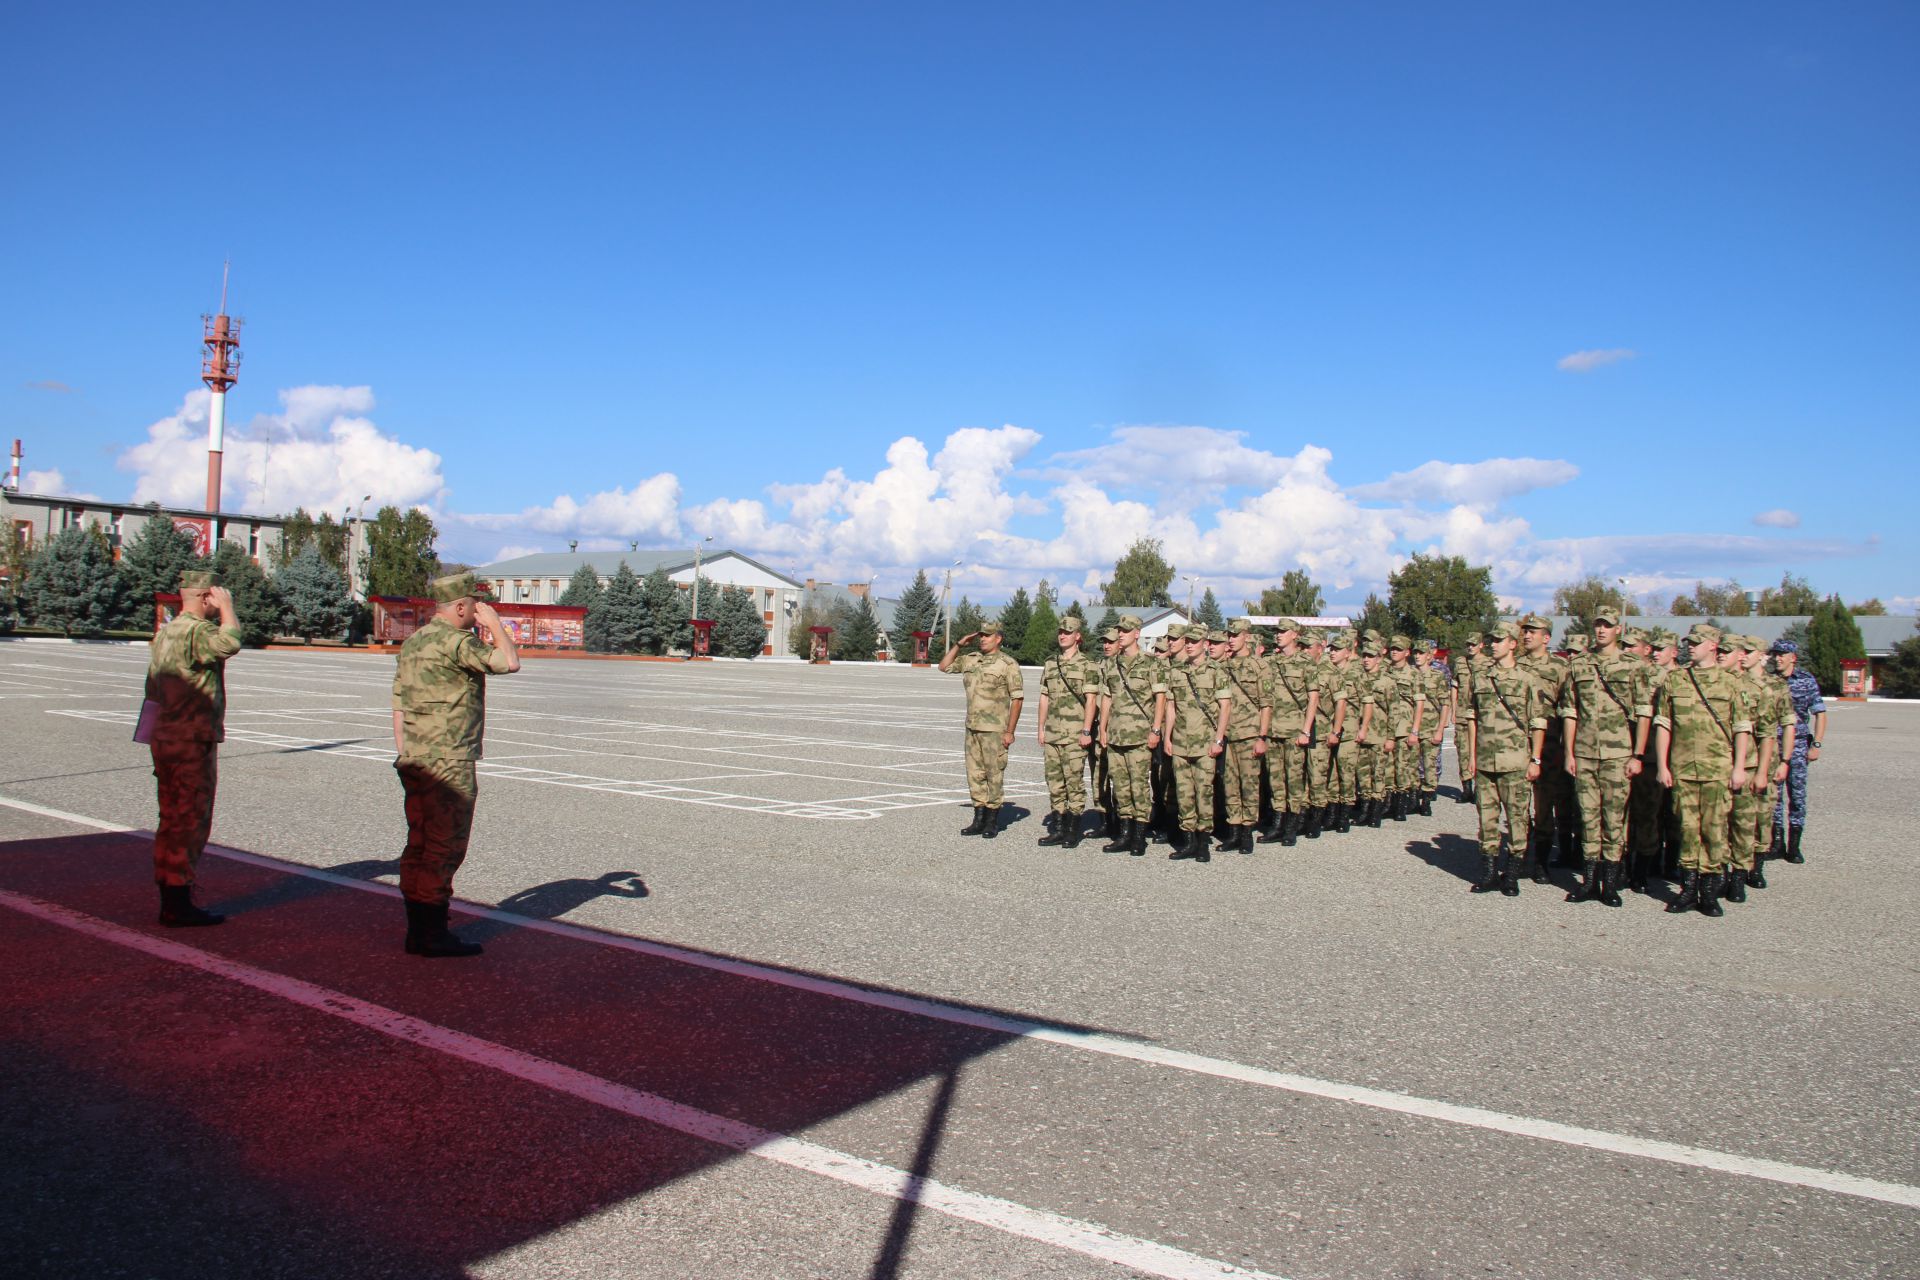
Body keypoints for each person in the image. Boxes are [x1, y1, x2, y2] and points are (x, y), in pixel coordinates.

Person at [392, 573, 521, 957]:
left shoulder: (414, 641)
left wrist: (406, 751)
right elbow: (508, 662)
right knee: (444, 846)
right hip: (449, 760)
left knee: (419, 842)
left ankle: (418, 928)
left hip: (415, 756)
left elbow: (398, 703)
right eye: (475, 605)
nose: (478, 611)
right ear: (462, 608)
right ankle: (431, 934)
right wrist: (495, 625)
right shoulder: (457, 642)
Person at [142, 570, 243, 927]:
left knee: (169, 817)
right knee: (189, 819)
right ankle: (177, 902)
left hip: (165, 738)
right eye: (215, 597)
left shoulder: (166, 631)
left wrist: (150, 736)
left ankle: (171, 895)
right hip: (190, 740)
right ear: (205, 597)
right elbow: (229, 642)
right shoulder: (198, 632)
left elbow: (151, 690)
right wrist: (228, 608)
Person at [1651, 624, 1754, 916]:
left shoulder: (1731, 683)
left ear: (1714, 644)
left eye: (1697, 642)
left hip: (1717, 769)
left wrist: (1738, 767)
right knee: (1686, 829)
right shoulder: (1675, 680)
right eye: (1689, 642)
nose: (1691, 647)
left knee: (1713, 830)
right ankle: (1688, 889)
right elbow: (1664, 725)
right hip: (1683, 768)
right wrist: (1662, 764)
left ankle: (1708, 893)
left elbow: (1742, 728)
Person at [1558, 609, 1651, 907]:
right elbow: (1570, 712)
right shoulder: (1579, 664)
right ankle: (1588, 882)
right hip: (1585, 753)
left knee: (1614, 819)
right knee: (1588, 818)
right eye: (1597, 624)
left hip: (1618, 754)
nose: (1601, 630)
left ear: (1618, 629)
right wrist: (1569, 752)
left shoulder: (1633, 666)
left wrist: (1638, 754)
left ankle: (1609, 884)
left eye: (1607, 626)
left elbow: (1644, 713)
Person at [1460, 621, 1549, 896]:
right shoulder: (1480, 677)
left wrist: (1535, 760)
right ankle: (1488, 873)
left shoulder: (1527, 679)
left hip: (1515, 761)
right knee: (1486, 818)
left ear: (1513, 643)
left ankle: (1512, 874)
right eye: (1492, 640)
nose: (1493, 644)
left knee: (1517, 818)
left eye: (1499, 640)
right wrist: (1472, 757)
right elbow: (1472, 718)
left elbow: (1538, 722)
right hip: (1486, 761)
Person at [940, 620, 1024, 839]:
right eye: (981, 636)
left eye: (988, 635)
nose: (983, 639)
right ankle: (978, 819)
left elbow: (1017, 698)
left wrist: (1010, 731)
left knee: (993, 775)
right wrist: (959, 644)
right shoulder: (971, 659)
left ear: (998, 638)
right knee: (974, 775)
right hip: (973, 727)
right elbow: (944, 666)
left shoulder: (1007, 664)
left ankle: (992, 821)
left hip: (995, 729)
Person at [1161, 626, 1232, 862]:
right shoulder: (1177, 673)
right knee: (1184, 794)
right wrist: (1167, 737)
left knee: (1204, 793)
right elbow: (1171, 707)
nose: (1189, 645)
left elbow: (1225, 708)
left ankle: (1203, 843)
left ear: (1204, 643)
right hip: (1181, 743)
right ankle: (1188, 840)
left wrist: (1219, 739)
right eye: (1187, 641)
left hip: (1205, 744)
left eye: (1194, 641)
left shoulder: (1216, 672)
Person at [1098, 615, 1167, 855]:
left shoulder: (1150, 663)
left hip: (1139, 736)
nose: (1121, 634)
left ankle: (1139, 836)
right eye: (1120, 631)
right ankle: (1124, 834)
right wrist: (1102, 729)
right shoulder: (1111, 664)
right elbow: (1107, 697)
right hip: (1116, 735)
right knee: (1121, 787)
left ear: (1137, 633)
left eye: (1126, 631)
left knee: (1139, 786)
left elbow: (1160, 698)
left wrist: (1156, 729)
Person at [1035, 617, 1100, 847]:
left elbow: (1091, 700)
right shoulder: (1051, 664)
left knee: (1074, 782)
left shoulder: (1088, 665)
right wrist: (1041, 728)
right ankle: (1058, 828)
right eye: (1061, 632)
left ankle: (1073, 831)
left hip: (1074, 734)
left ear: (1077, 636)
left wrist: (1085, 730)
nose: (1063, 636)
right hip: (1053, 733)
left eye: (1068, 632)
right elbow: (1044, 697)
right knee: (1054, 782)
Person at [1257, 618, 1320, 846]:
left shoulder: (1306, 663)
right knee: (1275, 781)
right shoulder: (1270, 662)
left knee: (1294, 781)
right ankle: (1277, 824)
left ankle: (1291, 827)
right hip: (1273, 731)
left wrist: (1306, 730)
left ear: (1295, 634)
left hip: (1294, 731)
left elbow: (1313, 698)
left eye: (1283, 631)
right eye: (1277, 631)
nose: (1278, 635)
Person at [1217, 619, 1273, 853]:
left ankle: (1248, 832)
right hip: (1229, 735)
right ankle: (1234, 831)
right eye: (1229, 634)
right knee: (1230, 786)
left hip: (1250, 733)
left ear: (1247, 637)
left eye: (1236, 635)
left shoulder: (1260, 667)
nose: (1231, 638)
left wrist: (1262, 736)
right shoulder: (1224, 666)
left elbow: (1267, 704)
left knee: (1249, 785)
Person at [1768, 639, 1826, 863]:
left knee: (1797, 795)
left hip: (1800, 744)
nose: (1777, 658)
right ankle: (1776, 842)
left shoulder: (1805, 680)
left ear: (1793, 657)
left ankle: (1794, 846)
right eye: (1776, 654)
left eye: (1782, 654)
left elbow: (1820, 713)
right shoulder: (1770, 680)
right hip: (1775, 744)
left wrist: (1817, 744)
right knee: (1775, 796)